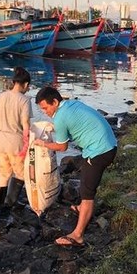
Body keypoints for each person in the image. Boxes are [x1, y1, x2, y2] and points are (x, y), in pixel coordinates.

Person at [34, 87, 117, 247]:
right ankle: (81, 208)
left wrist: (43, 144)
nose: (44, 112)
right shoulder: (71, 104)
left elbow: (62, 147)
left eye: (45, 108)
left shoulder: (60, 117)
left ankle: (78, 235)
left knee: (87, 193)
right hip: (107, 144)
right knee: (84, 172)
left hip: (100, 151)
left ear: (55, 102)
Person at [0, 67, 32, 216]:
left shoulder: (1, 97)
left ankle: (0, 208)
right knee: (20, 174)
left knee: (3, 175)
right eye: (28, 86)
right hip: (16, 142)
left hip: (0, 141)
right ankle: (9, 205)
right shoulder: (24, 100)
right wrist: (27, 144)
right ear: (25, 84)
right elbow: (25, 124)